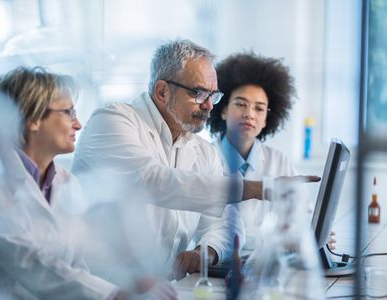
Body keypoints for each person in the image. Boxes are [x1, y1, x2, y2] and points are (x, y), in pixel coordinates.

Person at [71, 39, 320, 280]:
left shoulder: (202, 150)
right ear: (162, 92)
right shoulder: (112, 120)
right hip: (100, 287)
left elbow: (227, 223)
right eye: (200, 93)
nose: (209, 106)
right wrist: (257, 188)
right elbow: (152, 181)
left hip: (162, 288)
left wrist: (205, 252)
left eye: (214, 95)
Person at [0, 66, 177, 300]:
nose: (77, 124)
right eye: (68, 112)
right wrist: (115, 294)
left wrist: (133, 282)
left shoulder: (66, 183)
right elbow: (30, 263)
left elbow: (80, 263)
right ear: (33, 119)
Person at [208, 52, 336, 251]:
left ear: (267, 119)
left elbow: (304, 215)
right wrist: (284, 239)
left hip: (268, 264)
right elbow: (212, 230)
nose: (249, 114)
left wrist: (316, 233)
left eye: (259, 109)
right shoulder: (205, 158)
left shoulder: (278, 161)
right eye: (241, 104)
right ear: (223, 110)